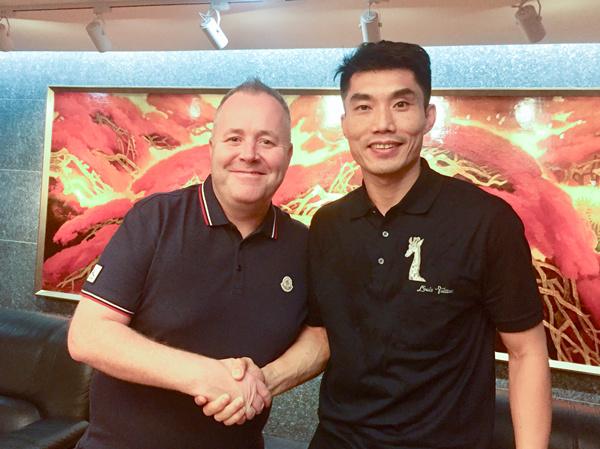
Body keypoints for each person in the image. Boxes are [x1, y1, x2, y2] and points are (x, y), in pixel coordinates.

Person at [301, 41, 552, 449]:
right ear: (345, 122)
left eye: (401, 104)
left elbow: (527, 353)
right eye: (364, 107)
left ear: (428, 115)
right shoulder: (328, 224)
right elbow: (323, 334)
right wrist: (258, 380)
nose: (382, 124)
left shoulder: (485, 221)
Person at [68, 79, 311, 449]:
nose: (249, 154)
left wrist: (264, 380)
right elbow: (88, 335)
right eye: (234, 138)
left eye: (267, 141)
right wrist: (205, 376)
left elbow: (321, 334)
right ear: (212, 148)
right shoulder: (155, 219)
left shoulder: (303, 245)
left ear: (288, 154)